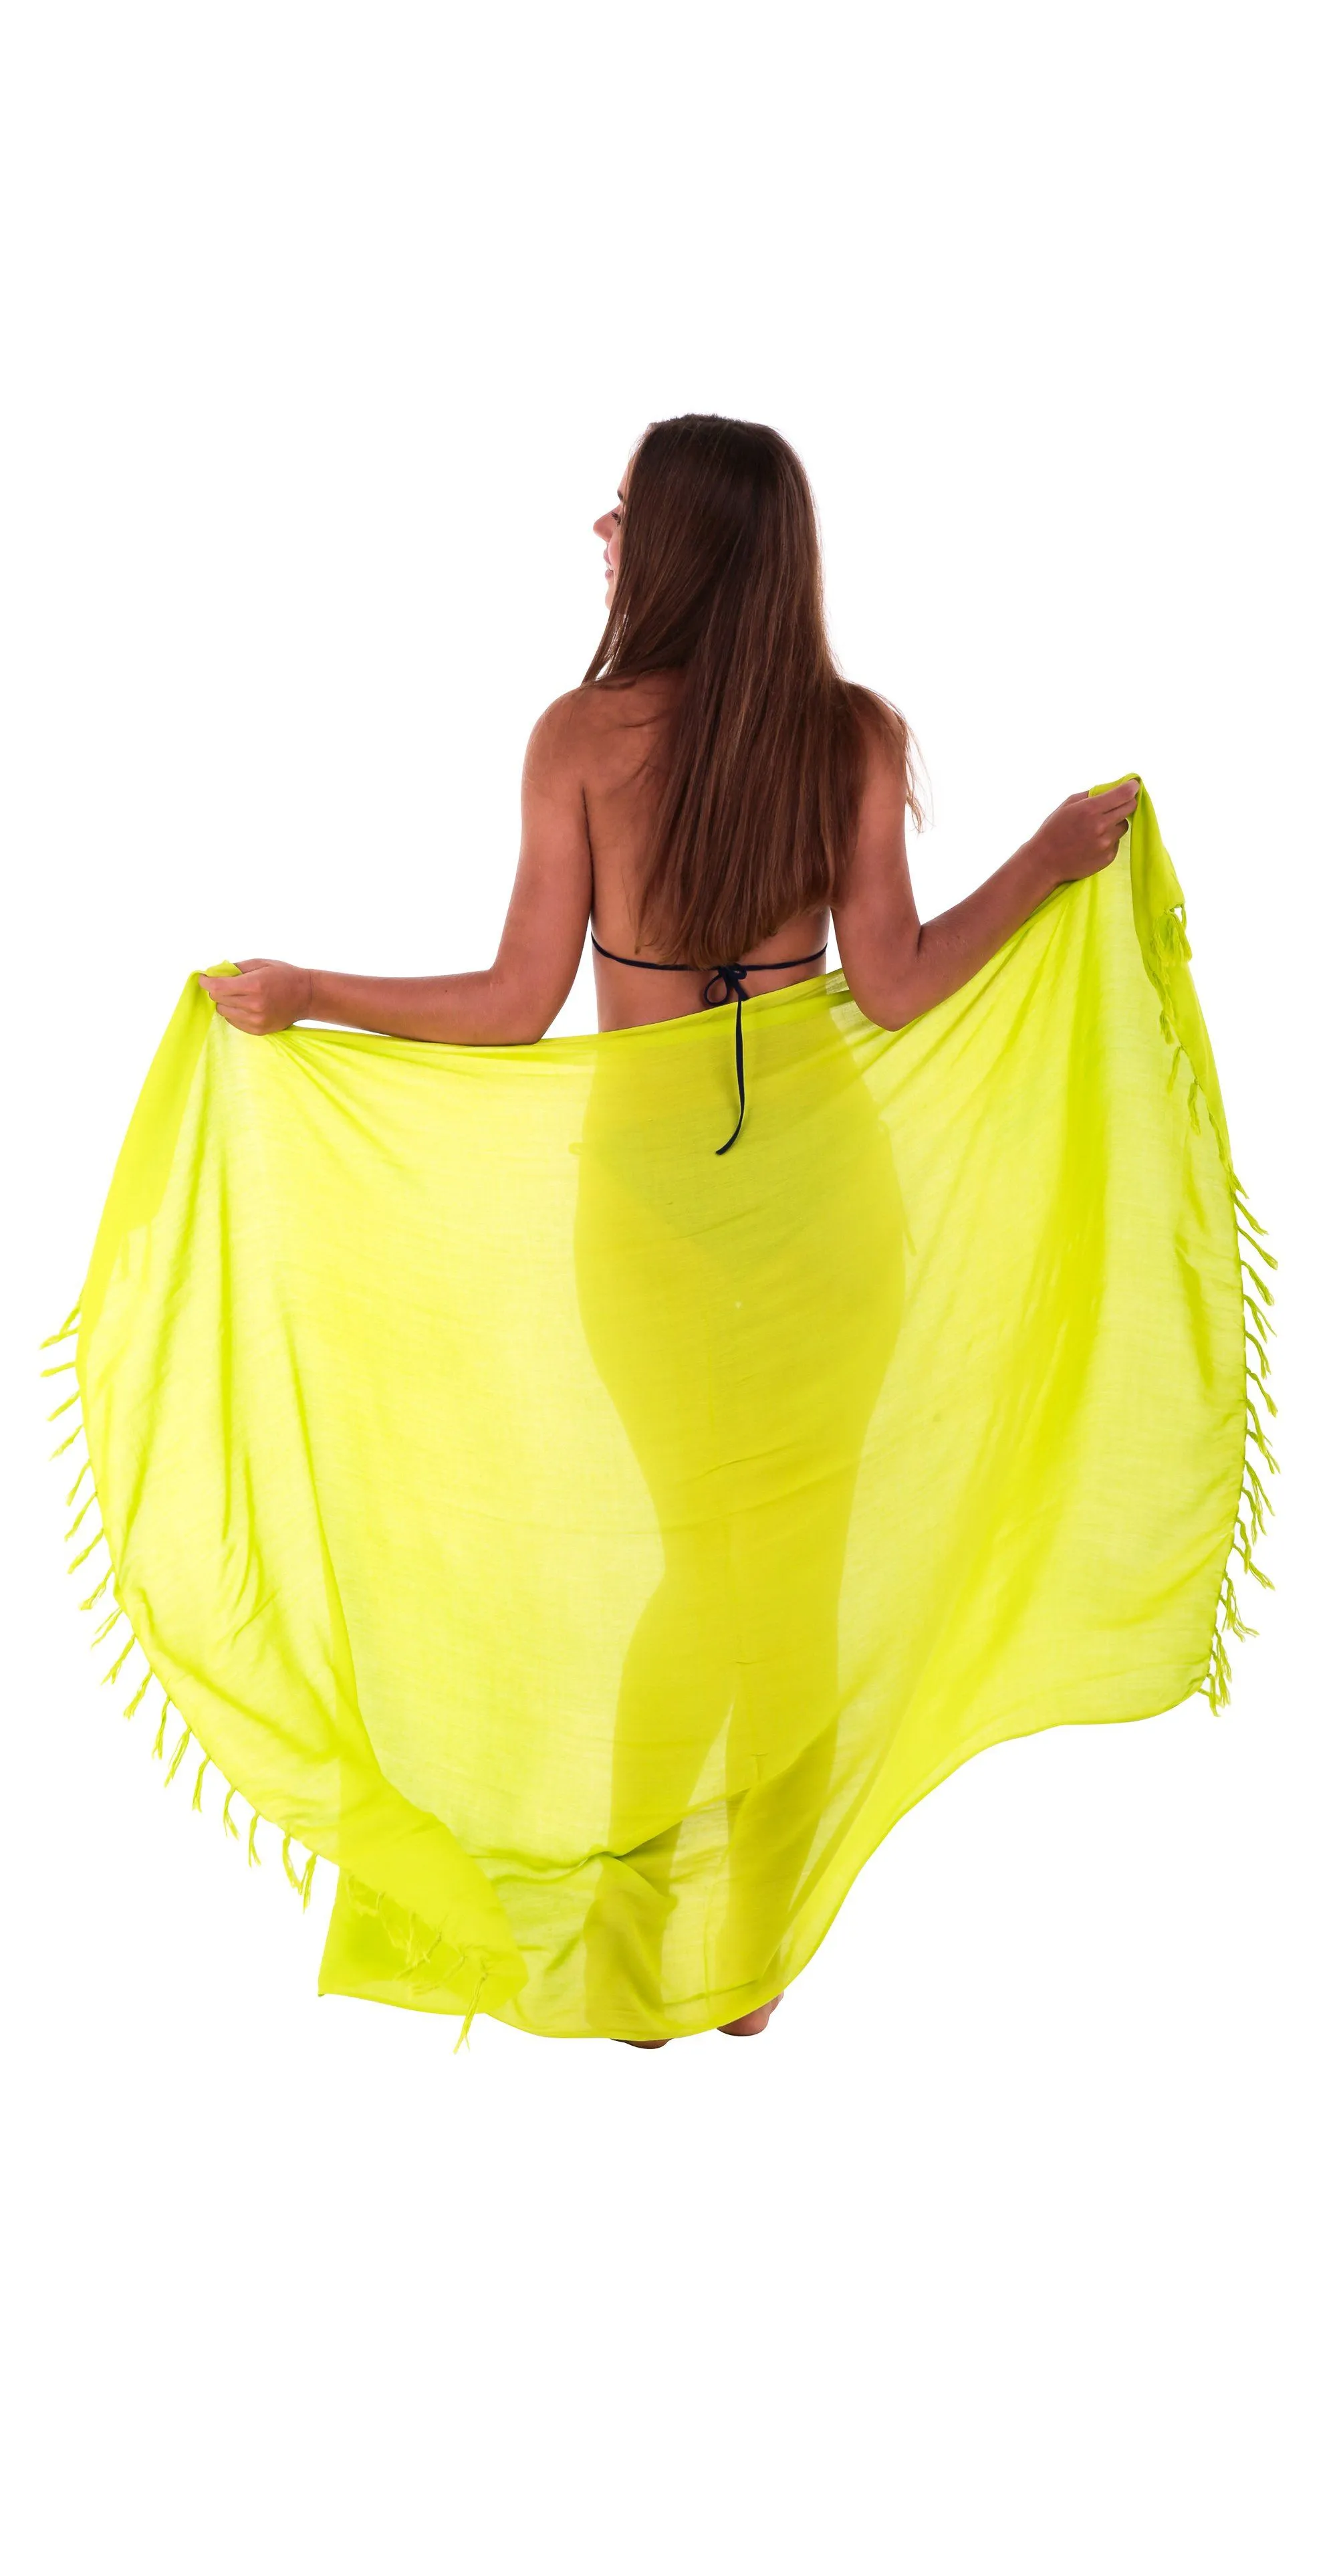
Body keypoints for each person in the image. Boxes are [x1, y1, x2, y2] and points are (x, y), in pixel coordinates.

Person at [198, 413, 1140, 2043]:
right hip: (825, 1203)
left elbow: (515, 1002)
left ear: (684, 543)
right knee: (780, 1574)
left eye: (626, 511)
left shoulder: (582, 738)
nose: (603, 530)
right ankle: (744, 1955)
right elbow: (898, 985)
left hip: (649, 1208)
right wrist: (1042, 863)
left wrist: (315, 990)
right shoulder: (847, 734)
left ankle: (659, 1947)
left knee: (704, 1567)